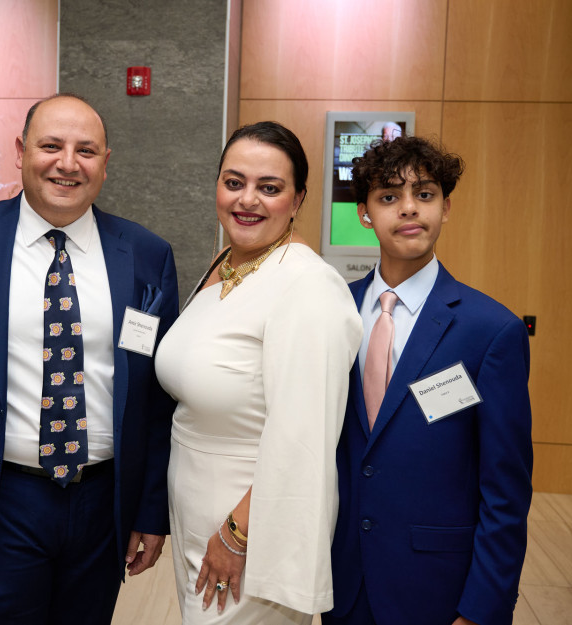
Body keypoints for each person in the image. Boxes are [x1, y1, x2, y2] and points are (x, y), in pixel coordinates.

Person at [0, 93, 178, 624]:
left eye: (86, 150)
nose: (67, 163)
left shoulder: (147, 254)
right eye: (51, 145)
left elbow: (158, 400)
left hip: (103, 505)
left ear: (106, 163)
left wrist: (152, 510)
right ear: (20, 151)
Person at [155, 121, 363, 624]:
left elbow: (303, 436)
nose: (247, 200)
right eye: (234, 182)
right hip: (196, 510)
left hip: (251, 525)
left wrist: (238, 534)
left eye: (269, 188)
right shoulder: (225, 265)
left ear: (297, 200)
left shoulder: (308, 286)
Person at [323, 136, 533, 625]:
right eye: (389, 196)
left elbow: (506, 489)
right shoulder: (332, 309)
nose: (409, 209)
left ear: (446, 207)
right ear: (365, 214)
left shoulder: (490, 330)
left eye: (426, 194)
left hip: (436, 585)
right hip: (341, 574)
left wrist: (483, 607)